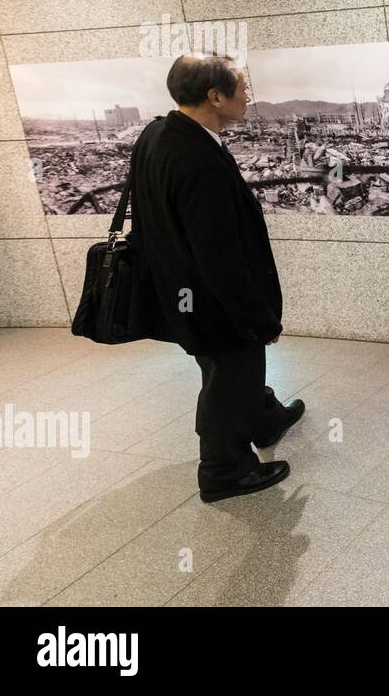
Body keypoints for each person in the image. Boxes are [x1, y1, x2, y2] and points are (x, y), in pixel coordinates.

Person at [128, 52, 304, 502]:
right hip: (211, 301)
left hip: (181, 289)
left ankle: (264, 419)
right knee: (229, 374)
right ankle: (223, 469)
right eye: (242, 88)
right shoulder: (198, 159)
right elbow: (219, 257)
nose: (248, 97)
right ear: (215, 96)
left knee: (233, 370)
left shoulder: (158, 134)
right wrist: (259, 318)